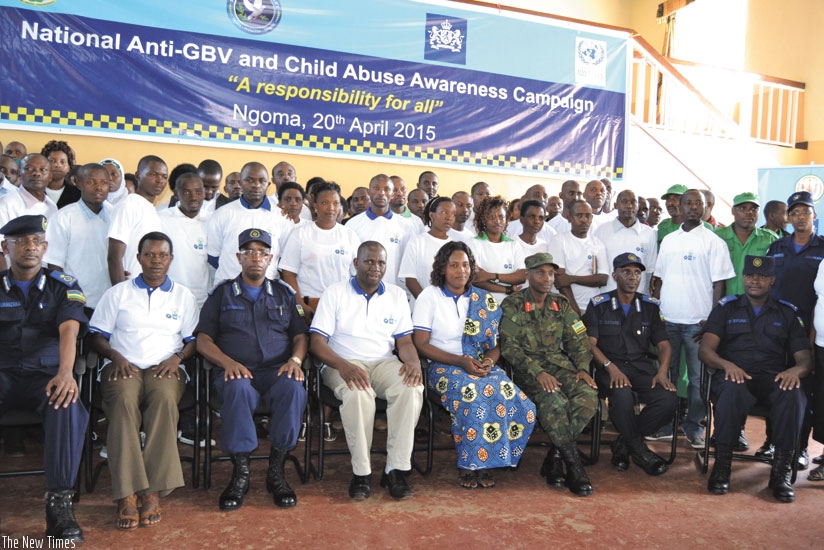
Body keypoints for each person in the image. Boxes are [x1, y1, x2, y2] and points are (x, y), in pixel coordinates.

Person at [90, 231, 199, 529]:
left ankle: (152, 491)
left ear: (171, 259)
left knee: (164, 401)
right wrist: (114, 356)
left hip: (165, 367)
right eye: (149, 255)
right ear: (138, 258)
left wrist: (178, 358)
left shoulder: (183, 296)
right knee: (124, 402)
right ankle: (126, 494)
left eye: (162, 255)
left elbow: (193, 340)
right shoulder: (118, 293)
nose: (156, 261)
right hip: (123, 365)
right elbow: (97, 335)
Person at [196, 228, 308, 510]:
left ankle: (277, 471)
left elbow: (300, 336)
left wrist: (295, 361)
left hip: (275, 371)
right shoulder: (222, 294)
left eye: (262, 252)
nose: (255, 257)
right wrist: (228, 363)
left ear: (270, 258)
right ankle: (240, 473)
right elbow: (203, 340)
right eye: (249, 252)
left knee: (293, 388)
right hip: (235, 371)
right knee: (238, 388)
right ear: (239, 258)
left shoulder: (284, 294)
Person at [413, 241, 536, 488]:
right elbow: (421, 344)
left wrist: (488, 362)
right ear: (442, 268)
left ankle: (491, 459)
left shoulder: (484, 299)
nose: (461, 271)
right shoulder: (430, 296)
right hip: (443, 366)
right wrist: (460, 361)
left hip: (479, 364)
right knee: (475, 396)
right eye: (454, 265)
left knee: (521, 402)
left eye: (466, 265)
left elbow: (496, 344)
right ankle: (471, 465)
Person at [309, 242, 424, 501]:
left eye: (381, 263)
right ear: (356, 263)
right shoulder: (335, 292)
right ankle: (361, 473)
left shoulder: (396, 295)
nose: (375, 267)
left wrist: (414, 363)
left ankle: (395, 469)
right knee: (359, 394)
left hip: (383, 362)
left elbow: (405, 342)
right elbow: (317, 343)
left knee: (412, 387)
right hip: (342, 362)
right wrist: (343, 365)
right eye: (369, 261)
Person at [0, 215, 89, 542]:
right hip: (4, 372)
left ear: (46, 246)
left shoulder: (63, 285)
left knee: (66, 403)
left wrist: (66, 373)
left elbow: (69, 331)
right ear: (5, 247)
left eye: (36, 241)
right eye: (21, 241)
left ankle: (59, 504)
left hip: (45, 375)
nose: (30, 247)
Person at [698, 255, 811, 502]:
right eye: (750, 275)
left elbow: (804, 359)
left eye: (762, 276)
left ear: (772, 280)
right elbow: (705, 351)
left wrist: (795, 371)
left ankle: (781, 473)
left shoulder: (787, 312)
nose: (755, 281)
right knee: (732, 389)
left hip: (772, 377)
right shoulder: (726, 308)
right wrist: (727, 365)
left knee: (793, 393)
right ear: (743, 278)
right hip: (735, 374)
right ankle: (722, 467)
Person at [499, 252, 598, 496]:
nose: (547, 278)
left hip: (560, 366)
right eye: (541, 273)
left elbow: (579, 340)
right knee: (555, 401)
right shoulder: (513, 304)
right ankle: (574, 467)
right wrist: (538, 372)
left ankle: (555, 457)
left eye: (551, 274)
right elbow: (509, 347)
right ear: (528, 275)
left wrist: (583, 368)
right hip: (527, 371)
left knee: (588, 397)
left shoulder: (560, 304)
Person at [652, 189, 735, 449]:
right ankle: (666, 425)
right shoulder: (669, 240)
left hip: (698, 324)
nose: (693, 207)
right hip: (668, 320)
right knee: (668, 375)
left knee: (699, 381)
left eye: (698, 203)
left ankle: (695, 428)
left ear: (704, 207)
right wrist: (657, 312)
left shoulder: (713, 242)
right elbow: (659, 279)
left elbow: (719, 285)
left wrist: (711, 321)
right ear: (680, 206)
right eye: (688, 203)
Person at [582, 253, 676, 475]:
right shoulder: (599, 305)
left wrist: (662, 372)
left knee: (668, 399)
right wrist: (610, 367)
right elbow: (590, 344)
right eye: (626, 272)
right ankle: (641, 452)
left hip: (640, 368)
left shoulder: (650, 306)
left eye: (637, 273)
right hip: (609, 369)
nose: (633, 277)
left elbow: (664, 345)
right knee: (622, 396)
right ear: (615, 276)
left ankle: (625, 444)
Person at [766, 190, 824, 469]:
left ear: (815, 216)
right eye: (795, 213)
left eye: (806, 212)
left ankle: (799, 448)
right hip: (777, 330)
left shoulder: (822, 248)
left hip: (808, 333)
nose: (800, 217)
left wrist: (812, 338)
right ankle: (772, 442)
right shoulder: (776, 247)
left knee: (804, 391)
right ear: (787, 218)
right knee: (774, 384)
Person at [279, 182, 360, 320]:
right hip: (309, 304)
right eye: (325, 203)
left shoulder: (350, 236)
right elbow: (288, 273)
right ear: (315, 206)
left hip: (341, 306)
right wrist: (300, 305)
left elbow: (356, 274)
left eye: (335, 203)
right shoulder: (300, 233)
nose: (331, 208)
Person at [207, 161, 290, 283]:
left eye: (262, 181)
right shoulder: (222, 214)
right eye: (249, 180)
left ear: (268, 184)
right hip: (228, 288)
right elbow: (213, 256)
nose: (256, 185)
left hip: (267, 289)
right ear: (240, 183)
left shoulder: (281, 216)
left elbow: (284, 258)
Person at [44, 163, 112, 310]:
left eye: (103, 182)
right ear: (77, 182)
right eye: (90, 182)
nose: (98, 187)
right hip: (76, 302)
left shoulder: (115, 215)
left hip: (110, 301)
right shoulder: (63, 218)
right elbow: (54, 265)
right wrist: (68, 297)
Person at [344, 174, 415, 286]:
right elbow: (349, 263)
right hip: (361, 289)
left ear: (392, 194)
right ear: (369, 192)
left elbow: (409, 264)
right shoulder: (352, 224)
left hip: (395, 289)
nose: (381, 193)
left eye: (387, 189)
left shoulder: (406, 226)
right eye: (376, 188)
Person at [106, 155, 165, 284]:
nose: (160, 180)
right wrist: (120, 290)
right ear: (138, 175)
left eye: (164, 176)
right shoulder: (128, 205)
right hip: (128, 288)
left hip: (144, 287)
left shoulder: (151, 209)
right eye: (153, 174)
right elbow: (114, 256)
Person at [547, 200, 609, 315]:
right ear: (569, 217)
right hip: (567, 308)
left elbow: (602, 279)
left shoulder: (598, 244)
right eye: (579, 215)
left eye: (587, 216)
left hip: (593, 307)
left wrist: (572, 279)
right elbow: (560, 279)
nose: (584, 220)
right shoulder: (559, 240)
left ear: (592, 218)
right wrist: (574, 310)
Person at [159, 172, 211, 308]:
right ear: (176, 194)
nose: (193, 197)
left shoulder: (212, 221)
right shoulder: (161, 219)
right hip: (169, 299)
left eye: (198, 192)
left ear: (204, 193)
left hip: (202, 301)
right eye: (187, 192)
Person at [0, 154, 58, 270]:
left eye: (43, 170)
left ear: (50, 176)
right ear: (19, 174)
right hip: (14, 275)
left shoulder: (52, 207)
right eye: (29, 169)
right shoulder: (5, 204)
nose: (36, 173)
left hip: (43, 275)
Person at [595, 190, 658, 295]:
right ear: (616, 205)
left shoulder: (649, 233)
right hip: (607, 294)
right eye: (624, 202)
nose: (629, 206)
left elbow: (649, 270)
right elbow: (596, 267)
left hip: (637, 295)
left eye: (633, 202)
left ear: (638, 206)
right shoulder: (602, 230)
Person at [714, 192, 777, 297]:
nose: (749, 212)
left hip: (756, 302)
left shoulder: (770, 239)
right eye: (742, 208)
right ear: (733, 211)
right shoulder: (718, 237)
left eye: (754, 209)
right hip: (725, 301)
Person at [468, 195, 527, 304]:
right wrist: (507, 289)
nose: (497, 221)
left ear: (506, 219)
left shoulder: (513, 244)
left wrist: (490, 276)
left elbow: (522, 276)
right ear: (483, 220)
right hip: (482, 305)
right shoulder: (474, 243)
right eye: (491, 217)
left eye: (501, 217)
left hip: (510, 305)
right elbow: (476, 279)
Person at [399, 196, 456, 299]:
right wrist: (426, 303)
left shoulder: (455, 246)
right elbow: (410, 279)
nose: (449, 218)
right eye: (444, 212)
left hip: (447, 304)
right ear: (432, 215)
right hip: (421, 304)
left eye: (453, 214)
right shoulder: (417, 242)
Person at [41, 140, 81, 209]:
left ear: (69, 166)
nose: (57, 165)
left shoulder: (78, 194)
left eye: (63, 162)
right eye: (52, 161)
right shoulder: (34, 190)